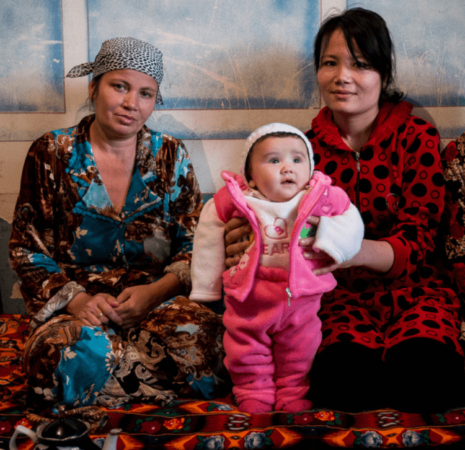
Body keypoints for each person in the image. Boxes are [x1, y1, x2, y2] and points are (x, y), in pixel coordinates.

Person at [224, 8, 465, 414]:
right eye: (330, 63)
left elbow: (418, 239)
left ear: (383, 75)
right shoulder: (301, 151)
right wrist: (247, 237)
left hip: (416, 289)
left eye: (361, 64)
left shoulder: (416, 136)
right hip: (332, 297)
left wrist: (342, 247)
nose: (343, 77)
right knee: (344, 387)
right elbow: (264, 211)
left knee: (431, 380)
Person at [9, 37, 227, 416]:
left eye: (146, 93)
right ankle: (129, 374)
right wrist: (77, 301)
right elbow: (26, 248)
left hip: (159, 304)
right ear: (94, 87)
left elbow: (199, 243)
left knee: (213, 349)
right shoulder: (52, 152)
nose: (131, 104)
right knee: (58, 357)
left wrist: (154, 293)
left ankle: (104, 380)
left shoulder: (170, 154)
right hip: (79, 312)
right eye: (119, 86)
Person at [190, 122, 364, 414]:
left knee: (300, 349)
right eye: (274, 161)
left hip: (301, 298)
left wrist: (332, 243)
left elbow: (351, 220)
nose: (287, 168)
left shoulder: (320, 197)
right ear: (252, 178)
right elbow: (208, 231)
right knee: (245, 349)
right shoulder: (239, 199)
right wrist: (206, 287)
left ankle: (293, 393)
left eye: (297, 160)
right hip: (249, 297)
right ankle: (252, 391)